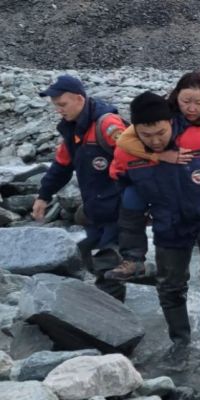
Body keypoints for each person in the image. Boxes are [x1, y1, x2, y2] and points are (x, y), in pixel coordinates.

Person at [109, 92, 200, 353]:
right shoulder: (127, 152)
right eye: (146, 136)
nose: (155, 140)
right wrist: (141, 199)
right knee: (170, 285)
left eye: (161, 132)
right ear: (135, 131)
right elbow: (120, 179)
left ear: (171, 121)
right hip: (167, 218)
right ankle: (180, 340)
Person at [110, 71, 200, 277]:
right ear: (176, 98)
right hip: (169, 206)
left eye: (198, 103)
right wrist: (158, 157)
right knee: (131, 196)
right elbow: (121, 156)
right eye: (186, 101)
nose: (192, 108)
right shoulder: (155, 117)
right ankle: (133, 259)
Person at [32, 75, 129, 301]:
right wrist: (43, 196)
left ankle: (113, 323)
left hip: (120, 208)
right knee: (86, 251)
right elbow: (61, 165)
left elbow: (138, 162)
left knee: (108, 261)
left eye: (62, 105)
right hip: (96, 208)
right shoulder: (72, 130)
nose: (59, 110)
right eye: (55, 105)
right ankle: (143, 274)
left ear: (79, 99)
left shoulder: (108, 125)